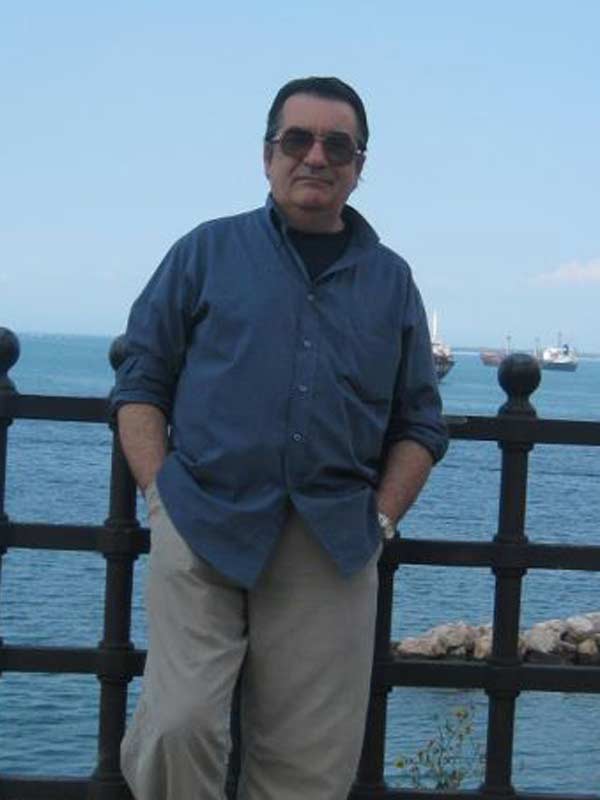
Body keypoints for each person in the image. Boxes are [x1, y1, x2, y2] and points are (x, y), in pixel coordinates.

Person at [111, 76, 448, 800]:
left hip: (331, 541)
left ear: (360, 166)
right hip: (202, 520)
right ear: (268, 155)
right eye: (298, 139)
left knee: (306, 768)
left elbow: (420, 422)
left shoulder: (391, 282)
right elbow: (140, 382)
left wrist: (383, 518)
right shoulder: (205, 253)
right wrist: (160, 496)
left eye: (338, 145)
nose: (316, 157)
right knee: (177, 724)